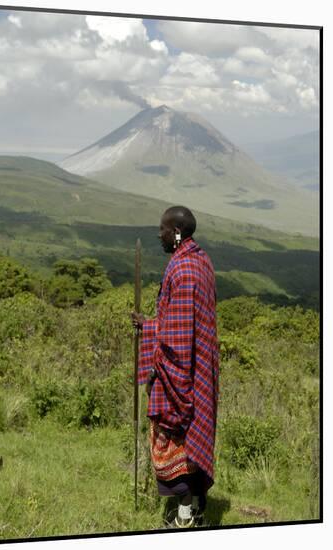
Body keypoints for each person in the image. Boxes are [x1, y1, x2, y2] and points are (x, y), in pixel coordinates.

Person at [131, 205, 219, 528]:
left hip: (184, 373)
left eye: (164, 229)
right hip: (203, 369)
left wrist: (167, 378)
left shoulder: (182, 271)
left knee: (179, 440)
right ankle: (197, 509)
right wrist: (150, 325)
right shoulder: (201, 260)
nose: (160, 234)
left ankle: (183, 520)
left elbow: (178, 341)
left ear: (177, 233)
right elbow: (179, 323)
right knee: (196, 439)